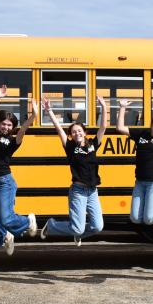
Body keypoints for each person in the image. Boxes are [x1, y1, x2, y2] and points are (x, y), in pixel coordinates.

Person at [39, 96, 109, 246]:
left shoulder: (93, 144)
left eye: (79, 131)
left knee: (98, 226)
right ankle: (52, 225)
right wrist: (49, 111)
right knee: (78, 228)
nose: (77, 133)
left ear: (85, 132)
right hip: (78, 191)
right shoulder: (70, 147)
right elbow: (59, 128)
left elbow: (103, 127)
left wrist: (104, 106)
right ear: (71, 135)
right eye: (73, 132)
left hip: (92, 191)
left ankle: (78, 233)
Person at [0, 85, 38, 255]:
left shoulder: (13, 141)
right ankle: (6, 236)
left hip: (4, 182)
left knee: (5, 218)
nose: (6, 127)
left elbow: (23, 129)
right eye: (3, 124)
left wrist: (33, 116)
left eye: (9, 125)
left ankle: (28, 222)